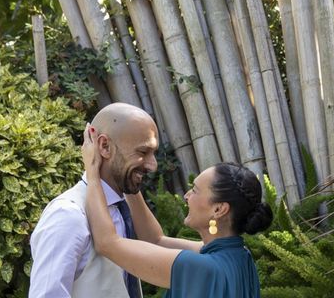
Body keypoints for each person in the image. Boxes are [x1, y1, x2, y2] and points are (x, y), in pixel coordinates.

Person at [81, 125, 273, 298]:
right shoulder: (240, 256)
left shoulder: (199, 267)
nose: (187, 195)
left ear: (219, 209)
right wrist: (128, 176)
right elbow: (155, 240)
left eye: (195, 190)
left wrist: (92, 171)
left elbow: (107, 243)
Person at [29, 103, 159, 298]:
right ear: (104, 146)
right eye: (142, 152)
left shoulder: (123, 208)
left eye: (153, 153)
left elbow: (157, 241)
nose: (153, 165)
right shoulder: (68, 215)